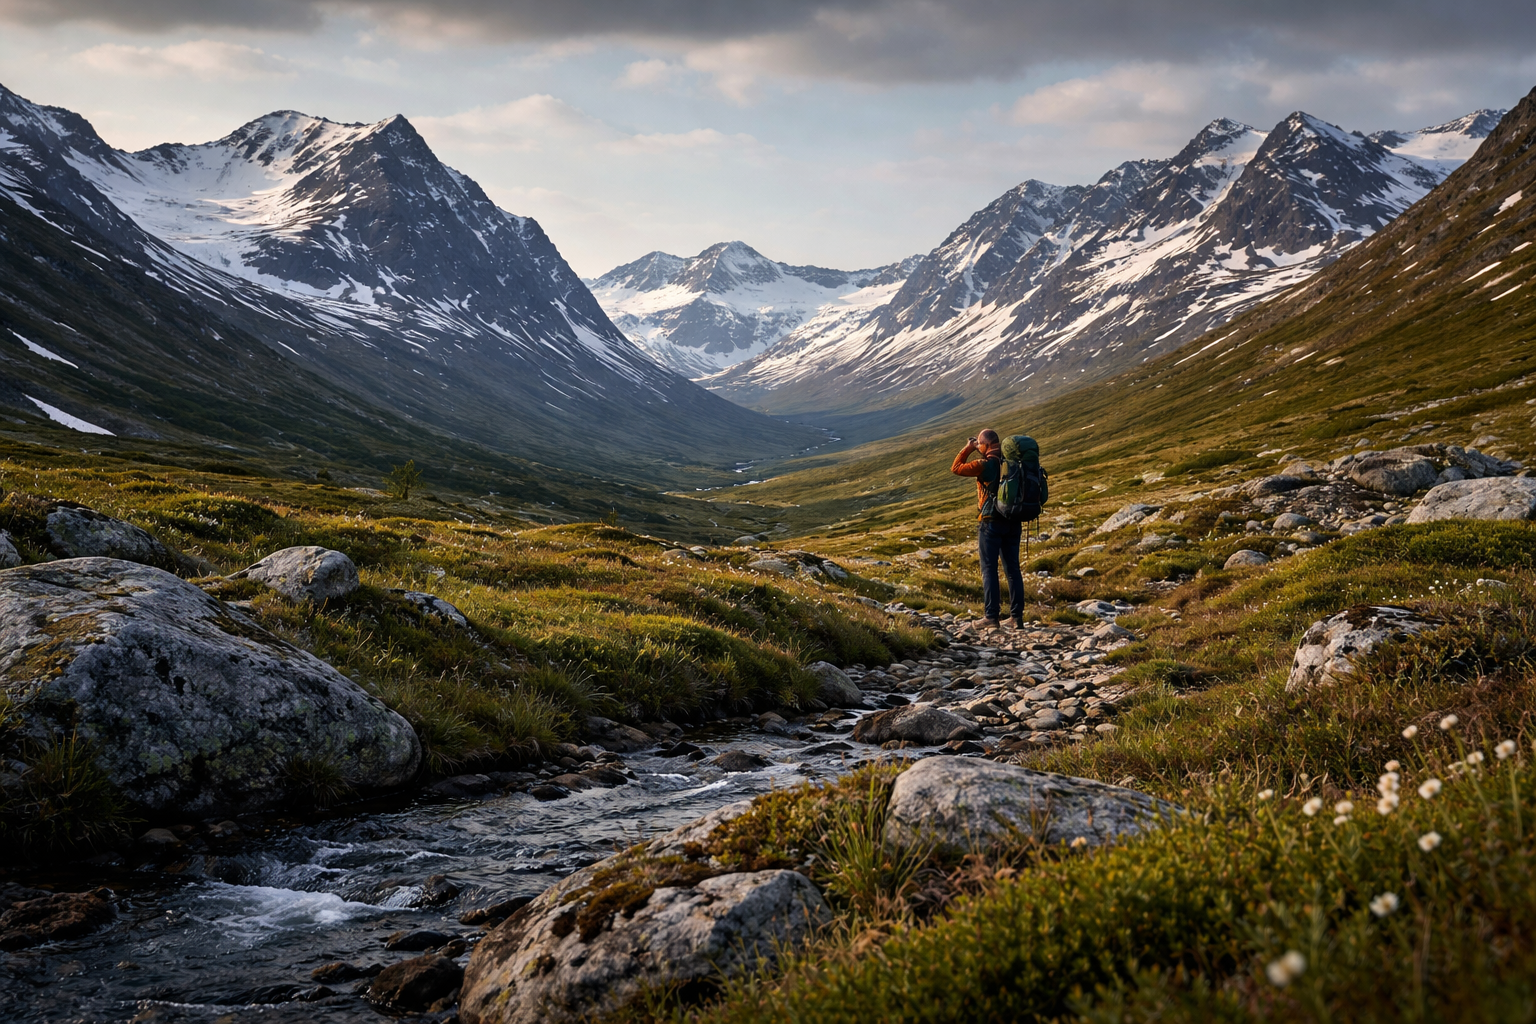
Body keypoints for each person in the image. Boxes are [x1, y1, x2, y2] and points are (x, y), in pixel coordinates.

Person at [951, 428, 1025, 629]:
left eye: (980, 445)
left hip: (990, 523)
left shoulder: (984, 465)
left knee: (989, 569)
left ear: (985, 446)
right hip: (1013, 521)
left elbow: (956, 467)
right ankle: (1016, 618)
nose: (978, 448)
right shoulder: (1013, 463)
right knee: (1013, 570)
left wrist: (968, 448)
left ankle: (991, 617)